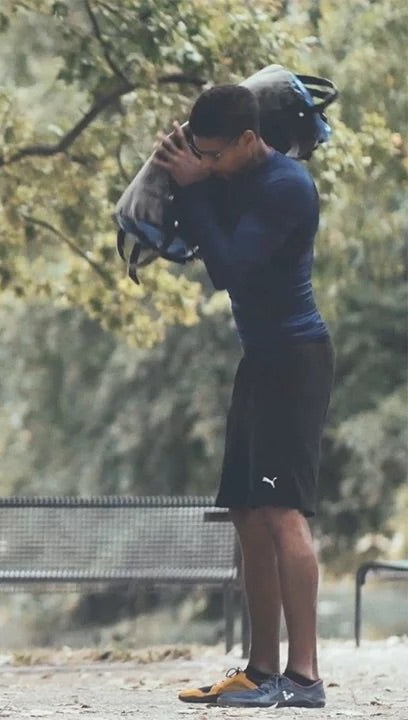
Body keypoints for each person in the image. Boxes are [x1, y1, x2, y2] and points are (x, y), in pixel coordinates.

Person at [154, 85, 333, 710]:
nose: (205, 163)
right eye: (197, 154)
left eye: (213, 154)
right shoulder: (232, 177)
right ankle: (260, 671)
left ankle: (304, 677)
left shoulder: (287, 188)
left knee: (284, 513)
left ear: (249, 141)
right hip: (260, 361)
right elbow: (190, 230)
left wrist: (195, 187)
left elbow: (229, 266)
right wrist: (186, 180)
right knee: (247, 512)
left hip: (296, 360)